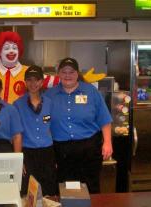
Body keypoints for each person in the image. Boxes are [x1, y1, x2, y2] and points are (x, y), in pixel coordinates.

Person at [45, 57, 113, 194]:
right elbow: (44, 121)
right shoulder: (49, 95)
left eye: (71, 72)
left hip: (89, 148)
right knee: (65, 189)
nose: (67, 75)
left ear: (77, 74)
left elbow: (104, 119)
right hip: (61, 151)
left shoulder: (91, 92)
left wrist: (107, 142)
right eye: (64, 72)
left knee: (90, 187)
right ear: (58, 74)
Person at [13, 65, 57, 196]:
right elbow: (16, 134)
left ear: (42, 82)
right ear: (25, 82)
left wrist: (56, 158)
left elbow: (54, 130)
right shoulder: (17, 104)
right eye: (30, 80)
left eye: (37, 80)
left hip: (47, 153)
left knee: (48, 191)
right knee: (28, 192)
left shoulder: (50, 103)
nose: (33, 83)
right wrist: (18, 159)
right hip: (27, 154)